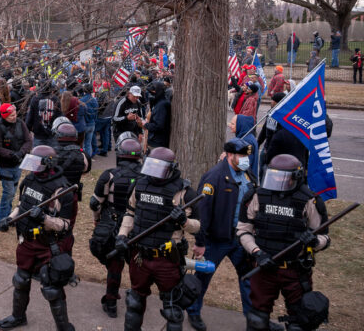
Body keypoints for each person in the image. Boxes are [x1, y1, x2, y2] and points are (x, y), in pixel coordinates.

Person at [236, 154, 330, 331]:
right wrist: (257, 252)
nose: (278, 180)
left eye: (284, 177)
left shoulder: (310, 200)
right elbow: (243, 230)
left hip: (295, 271)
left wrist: (314, 241)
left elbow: (325, 237)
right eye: (274, 175)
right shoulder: (256, 196)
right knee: (256, 320)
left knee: (299, 323)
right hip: (263, 267)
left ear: (297, 176)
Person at [114, 147, 200, 331]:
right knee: (135, 302)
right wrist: (122, 235)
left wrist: (184, 221)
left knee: (173, 310)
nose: (154, 172)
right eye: (151, 166)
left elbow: (198, 226)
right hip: (140, 257)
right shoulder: (140, 184)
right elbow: (131, 212)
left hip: (167, 260)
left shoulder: (184, 193)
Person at [0, 145, 76, 331]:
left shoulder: (62, 189)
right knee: (21, 279)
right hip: (27, 240)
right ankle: (18, 317)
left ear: (49, 164)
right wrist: (10, 218)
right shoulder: (30, 179)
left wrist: (44, 218)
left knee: (52, 288)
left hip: (48, 244)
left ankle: (63, 327)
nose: (32, 168)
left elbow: (65, 224)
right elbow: (22, 205)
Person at [186, 138, 256, 331]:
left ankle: (254, 319)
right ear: (230, 155)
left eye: (246, 156)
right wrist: (200, 242)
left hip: (241, 239)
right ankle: (193, 312)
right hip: (215, 240)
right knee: (202, 278)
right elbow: (203, 212)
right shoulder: (214, 177)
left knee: (248, 278)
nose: (245, 159)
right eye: (241, 155)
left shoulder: (248, 174)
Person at [89, 134, 144, 318]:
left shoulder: (109, 175)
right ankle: (137, 298)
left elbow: (95, 203)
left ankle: (111, 302)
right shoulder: (145, 177)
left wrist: (96, 219)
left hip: (113, 225)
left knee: (115, 265)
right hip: (136, 227)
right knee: (137, 265)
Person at [0, 103, 33, 225]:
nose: (14, 117)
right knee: (8, 192)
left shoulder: (20, 123)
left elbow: (28, 140)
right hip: (5, 165)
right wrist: (11, 154)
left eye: (15, 115)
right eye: (11, 116)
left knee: (14, 191)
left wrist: (21, 152)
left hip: (18, 163)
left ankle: (9, 217)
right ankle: (2, 219)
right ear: (4, 116)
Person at [51, 119, 90, 217]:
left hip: (51, 195)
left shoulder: (50, 153)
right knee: (68, 223)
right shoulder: (82, 155)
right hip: (72, 195)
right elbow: (86, 170)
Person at [141, 80, 171, 149]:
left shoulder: (161, 105)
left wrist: (145, 124)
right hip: (155, 141)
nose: (150, 95)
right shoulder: (158, 103)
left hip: (157, 143)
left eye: (152, 92)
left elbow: (158, 126)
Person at [93, 82, 114, 155]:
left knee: (94, 131)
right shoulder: (112, 93)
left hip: (102, 116)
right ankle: (107, 147)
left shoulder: (103, 94)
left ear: (104, 87)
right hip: (109, 115)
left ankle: (98, 150)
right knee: (106, 132)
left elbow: (100, 104)